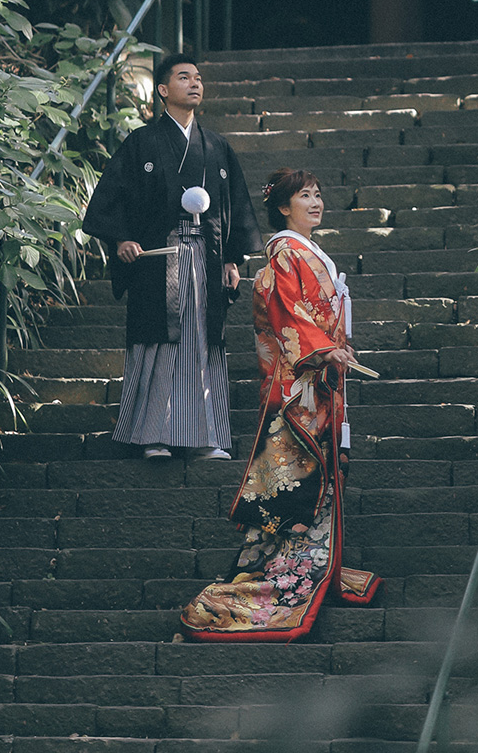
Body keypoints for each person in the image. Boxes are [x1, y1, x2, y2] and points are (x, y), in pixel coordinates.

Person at [180, 168, 381, 640]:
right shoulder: (286, 254)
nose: (315, 202)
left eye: (317, 194)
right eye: (303, 196)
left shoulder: (306, 252)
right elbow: (289, 312)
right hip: (300, 387)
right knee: (298, 477)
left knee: (322, 472)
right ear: (283, 207)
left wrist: (335, 346)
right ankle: (287, 572)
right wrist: (321, 347)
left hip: (319, 380)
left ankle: (312, 564)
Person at [81, 54, 263, 460]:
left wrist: (232, 259)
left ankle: (203, 436)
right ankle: (153, 435)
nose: (195, 83)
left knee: (202, 342)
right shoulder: (141, 143)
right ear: (163, 90)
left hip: (206, 255)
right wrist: (122, 239)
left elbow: (234, 205)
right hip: (156, 258)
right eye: (184, 77)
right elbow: (112, 198)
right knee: (161, 342)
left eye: (198, 78)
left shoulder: (216, 146)